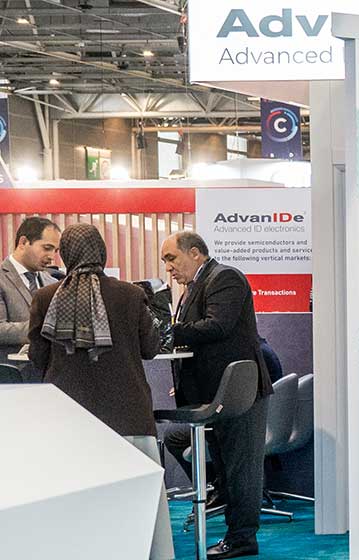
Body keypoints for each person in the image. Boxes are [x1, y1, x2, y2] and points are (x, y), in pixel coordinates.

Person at [27, 223, 172, 560]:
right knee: (140, 502)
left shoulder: (46, 297)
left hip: (69, 420)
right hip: (129, 417)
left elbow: (37, 357)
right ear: (102, 252)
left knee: (76, 505)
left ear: (66, 254)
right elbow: (150, 348)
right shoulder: (131, 294)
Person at [160, 231, 269, 559]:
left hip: (240, 392)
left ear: (195, 253)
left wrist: (167, 329)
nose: (169, 268)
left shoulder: (226, 278)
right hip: (219, 395)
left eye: (172, 258)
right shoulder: (193, 288)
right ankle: (236, 536)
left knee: (241, 471)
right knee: (228, 469)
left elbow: (217, 326)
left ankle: (242, 539)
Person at [3, 217, 60, 374]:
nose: (52, 256)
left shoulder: (51, 281)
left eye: (55, 251)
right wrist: (44, 329)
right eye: (47, 248)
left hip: (47, 374)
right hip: (11, 377)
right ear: (23, 242)